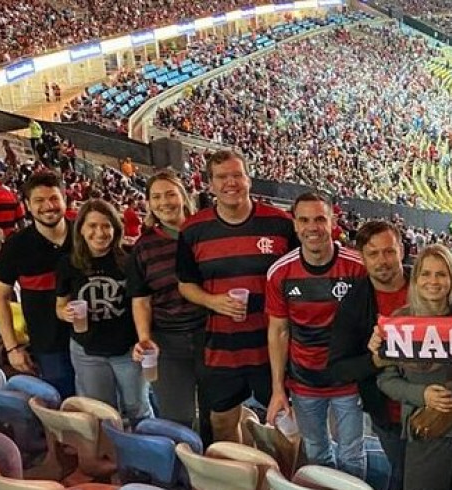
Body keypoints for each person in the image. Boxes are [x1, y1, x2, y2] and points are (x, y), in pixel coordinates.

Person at [176, 149, 295, 442]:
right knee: (223, 422)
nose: (231, 183)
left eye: (237, 175)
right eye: (221, 177)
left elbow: (298, 277)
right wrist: (212, 301)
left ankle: (285, 483)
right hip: (223, 348)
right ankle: (242, 481)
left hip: (273, 347)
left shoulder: (280, 223)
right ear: (210, 185)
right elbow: (185, 284)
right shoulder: (193, 230)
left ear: (249, 179)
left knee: (286, 424)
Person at [373, 244, 452, 490]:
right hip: (428, 433)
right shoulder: (400, 321)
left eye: (441, 274)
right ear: (416, 279)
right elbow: (385, 379)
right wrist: (421, 394)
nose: (433, 282)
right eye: (426, 274)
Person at [266, 192, 367, 477]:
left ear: (333, 222)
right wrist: (277, 389)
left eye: (320, 219)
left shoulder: (357, 267)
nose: (313, 227)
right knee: (316, 449)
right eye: (305, 220)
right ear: (295, 225)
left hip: (347, 381)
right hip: (305, 382)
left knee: (351, 453)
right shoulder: (280, 273)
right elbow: (278, 331)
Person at [127, 170, 211, 441]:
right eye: (156, 197)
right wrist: (144, 337)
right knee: (178, 416)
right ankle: (183, 474)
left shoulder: (205, 234)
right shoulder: (144, 246)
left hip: (210, 336)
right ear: (149, 203)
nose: (164, 202)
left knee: (215, 411)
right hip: (168, 341)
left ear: (183, 196)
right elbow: (141, 299)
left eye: (170, 194)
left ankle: (217, 472)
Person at [328, 220, 410, 490]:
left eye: (388, 251)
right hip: (390, 415)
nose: (382, 260)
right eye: (373, 254)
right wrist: (377, 361)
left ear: (402, 250)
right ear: (362, 258)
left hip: (437, 409)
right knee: (405, 479)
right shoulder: (353, 303)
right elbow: (339, 368)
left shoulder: (428, 284)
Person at [56, 199, 151, 423]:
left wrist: (144, 338)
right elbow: (60, 306)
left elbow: (142, 302)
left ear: (115, 228)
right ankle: (111, 454)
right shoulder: (68, 263)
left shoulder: (129, 259)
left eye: (106, 226)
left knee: (137, 408)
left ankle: (144, 454)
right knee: (101, 412)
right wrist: (66, 313)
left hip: (127, 350)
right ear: (81, 229)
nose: (100, 232)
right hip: (87, 351)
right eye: (92, 226)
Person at [0, 171, 75, 397]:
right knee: (64, 408)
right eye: (39, 200)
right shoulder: (16, 246)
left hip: (94, 342)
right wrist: (12, 347)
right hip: (49, 346)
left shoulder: (85, 234)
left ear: (65, 199)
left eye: (54, 198)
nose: (48, 206)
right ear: (27, 205)